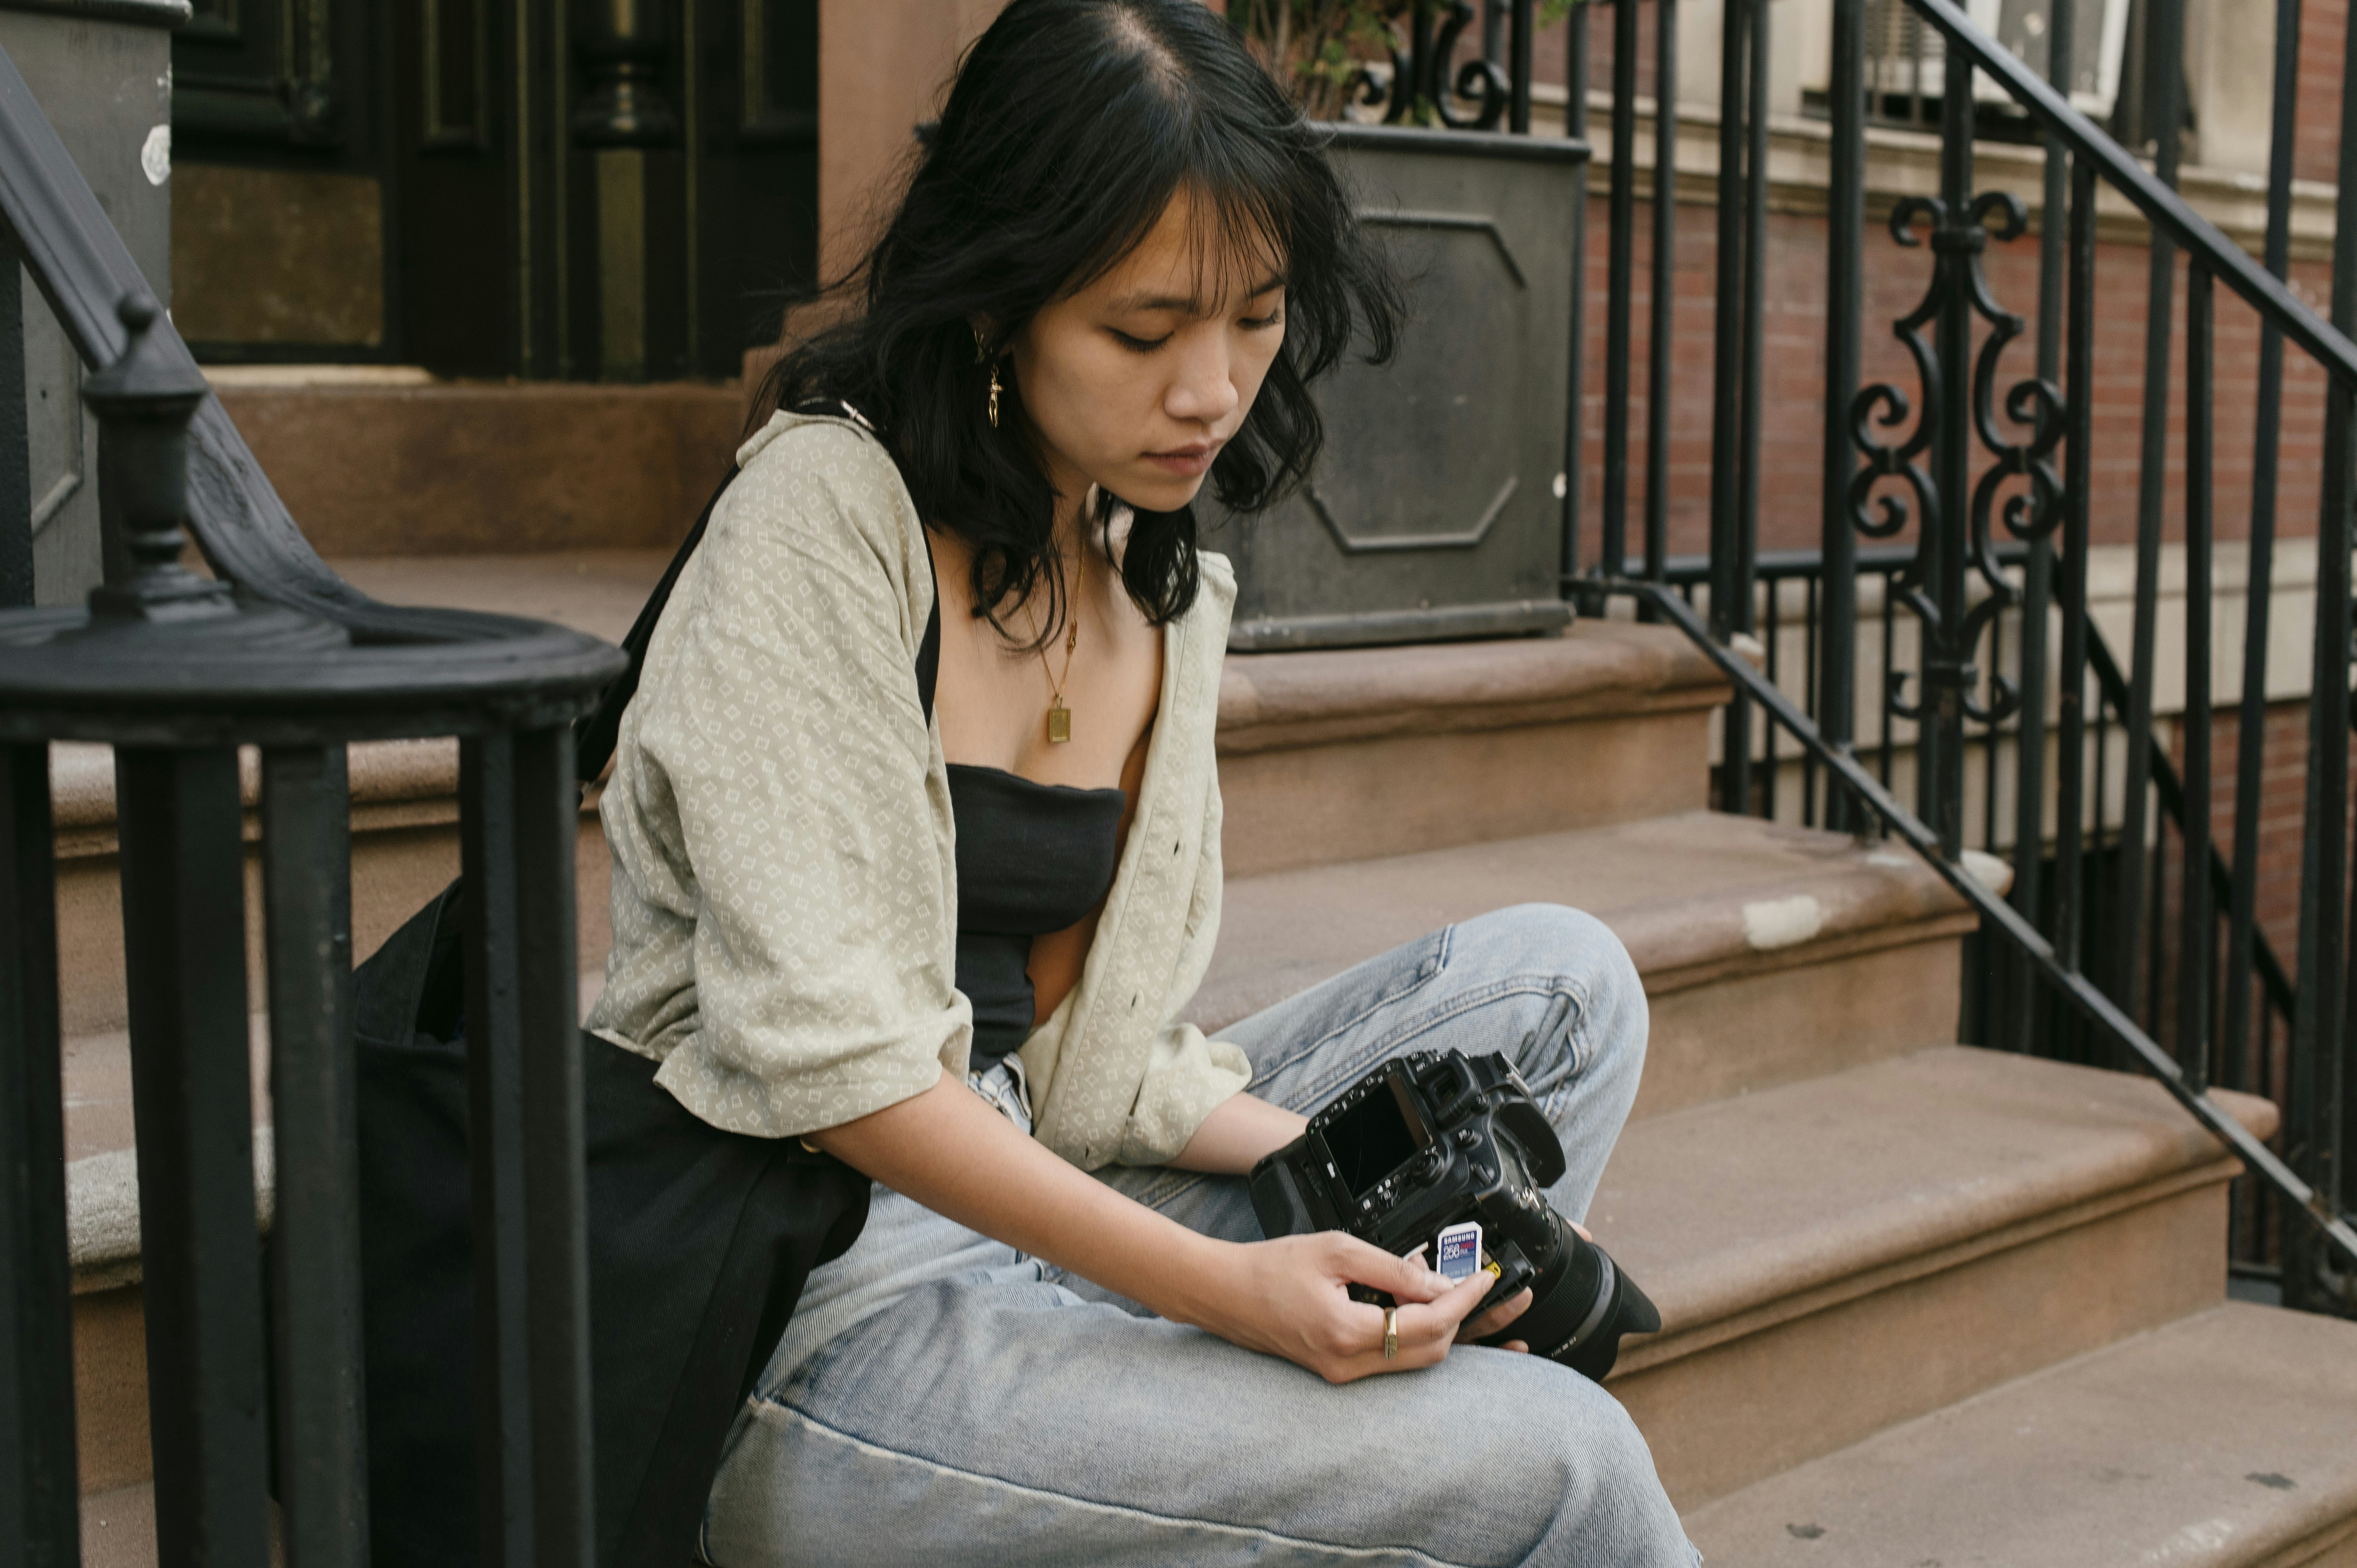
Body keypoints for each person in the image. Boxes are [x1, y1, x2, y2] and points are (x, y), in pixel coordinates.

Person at [586, 2, 1697, 1561]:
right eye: (1144, 329)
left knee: (1562, 993)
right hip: (813, 1316)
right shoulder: (820, 518)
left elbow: (1079, 1069)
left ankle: (1339, 1410)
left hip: (1038, 1203)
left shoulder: (1146, 575)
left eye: (1254, 319)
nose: (1213, 389)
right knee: (1566, 1462)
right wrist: (1230, 1286)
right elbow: (823, 1067)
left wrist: (1422, 1184)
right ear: (1000, 301)